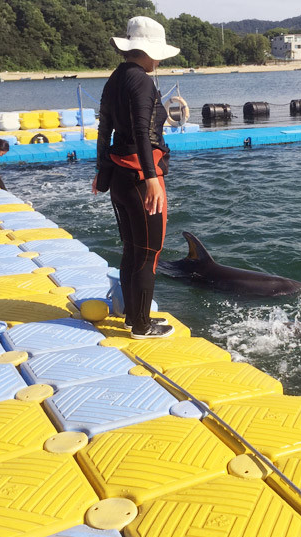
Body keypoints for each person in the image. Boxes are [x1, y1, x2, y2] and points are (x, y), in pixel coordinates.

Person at [93, 16, 179, 340]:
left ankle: (133, 317)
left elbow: (105, 130)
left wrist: (102, 173)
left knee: (131, 250)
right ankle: (142, 326)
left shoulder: (114, 79)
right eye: (156, 53)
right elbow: (142, 132)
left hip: (119, 178)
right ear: (144, 50)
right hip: (141, 177)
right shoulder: (141, 80)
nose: (158, 60)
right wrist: (152, 177)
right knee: (148, 253)